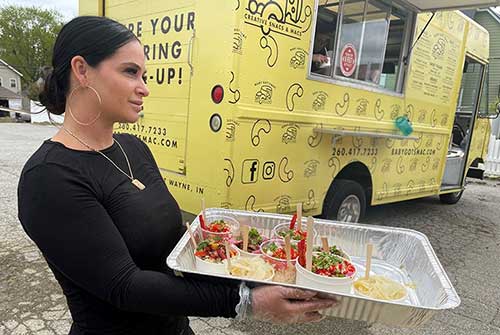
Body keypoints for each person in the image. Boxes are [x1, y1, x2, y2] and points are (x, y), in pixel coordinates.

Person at [17, 16, 337, 335]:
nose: (144, 88)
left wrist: (253, 265)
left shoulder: (134, 147)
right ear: (82, 70)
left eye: (144, 75)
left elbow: (174, 247)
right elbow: (125, 286)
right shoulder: (48, 178)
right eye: (130, 72)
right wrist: (245, 301)